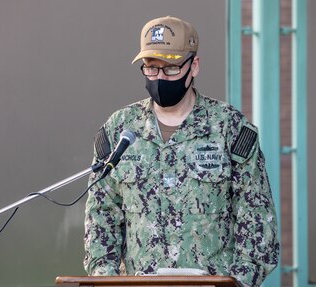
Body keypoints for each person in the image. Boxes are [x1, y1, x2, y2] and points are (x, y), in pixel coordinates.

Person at [83, 16, 279, 287]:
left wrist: (235, 283)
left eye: (171, 68)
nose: (160, 78)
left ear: (194, 66)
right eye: (151, 68)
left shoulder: (229, 129)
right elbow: (101, 217)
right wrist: (107, 281)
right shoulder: (119, 131)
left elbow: (258, 224)